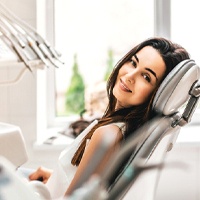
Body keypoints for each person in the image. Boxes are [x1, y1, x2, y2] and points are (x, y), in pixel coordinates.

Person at [28, 37, 190, 199]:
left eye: (146, 77)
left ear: (156, 94)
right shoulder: (125, 129)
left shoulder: (108, 134)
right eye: (133, 63)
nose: (130, 76)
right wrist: (55, 178)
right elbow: (91, 187)